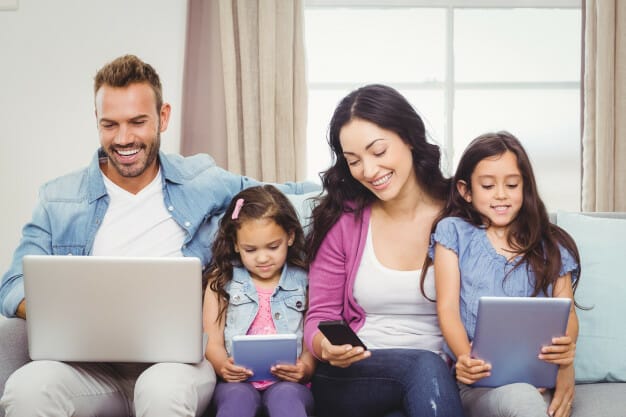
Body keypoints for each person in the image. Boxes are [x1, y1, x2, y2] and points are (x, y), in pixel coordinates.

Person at [0, 54, 315, 416]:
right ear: (97, 122)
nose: (123, 138)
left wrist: (352, 185)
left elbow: (279, 197)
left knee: (162, 391)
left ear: (162, 117)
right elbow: (11, 286)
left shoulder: (201, 179)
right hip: (86, 367)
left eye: (137, 122)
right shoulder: (58, 198)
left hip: (174, 365)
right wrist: (70, 309)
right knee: (27, 389)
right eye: (110, 124)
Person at [303, 84, 465, 417]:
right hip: (355, 375)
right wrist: (326, 347)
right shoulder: (343, 222)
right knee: (423, 366)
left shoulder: (461, 214)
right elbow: (320, 316)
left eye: (378, 151)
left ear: (408, 136)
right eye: (354, 161)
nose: (369, 170)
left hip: (438, 378)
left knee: (420, 383)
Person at [428, 131, 580, 417]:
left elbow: (568, 313)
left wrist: (564, 362)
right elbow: (447, 308)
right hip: (478, 383)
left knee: (528, 399)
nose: (501, 194)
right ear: (466, 190)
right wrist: (465, 358)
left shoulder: (551, 244)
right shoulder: (454, 232)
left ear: (525, 187)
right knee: (521, 400)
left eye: (511, 185)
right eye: (487, 186)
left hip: (537, 381)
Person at [203, 185, 315, 417]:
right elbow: (211, 342)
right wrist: (223, 366)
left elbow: (310, 345)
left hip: (290, 384)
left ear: (290, 237)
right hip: (235, 384)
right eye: (250, 249)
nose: (263, 258)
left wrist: (304, 369)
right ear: (235, 244)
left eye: (273, 247)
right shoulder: (221, 281)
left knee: (286, 400)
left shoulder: (305, 281)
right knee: (236, 401)